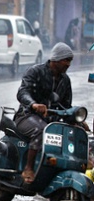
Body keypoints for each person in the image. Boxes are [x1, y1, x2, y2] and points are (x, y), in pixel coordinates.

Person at [14, 42, 89, 184]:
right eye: (66, 60)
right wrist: (33, 104)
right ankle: (29, 168)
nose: (68, 64)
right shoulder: (36, 71)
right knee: (41, 130)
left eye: (70, 61)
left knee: (76, 132)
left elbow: (66, 105)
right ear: (56, 59)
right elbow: (22, 92)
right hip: (27, 116)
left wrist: (76, 119)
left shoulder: (65, 80)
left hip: (50, 121)